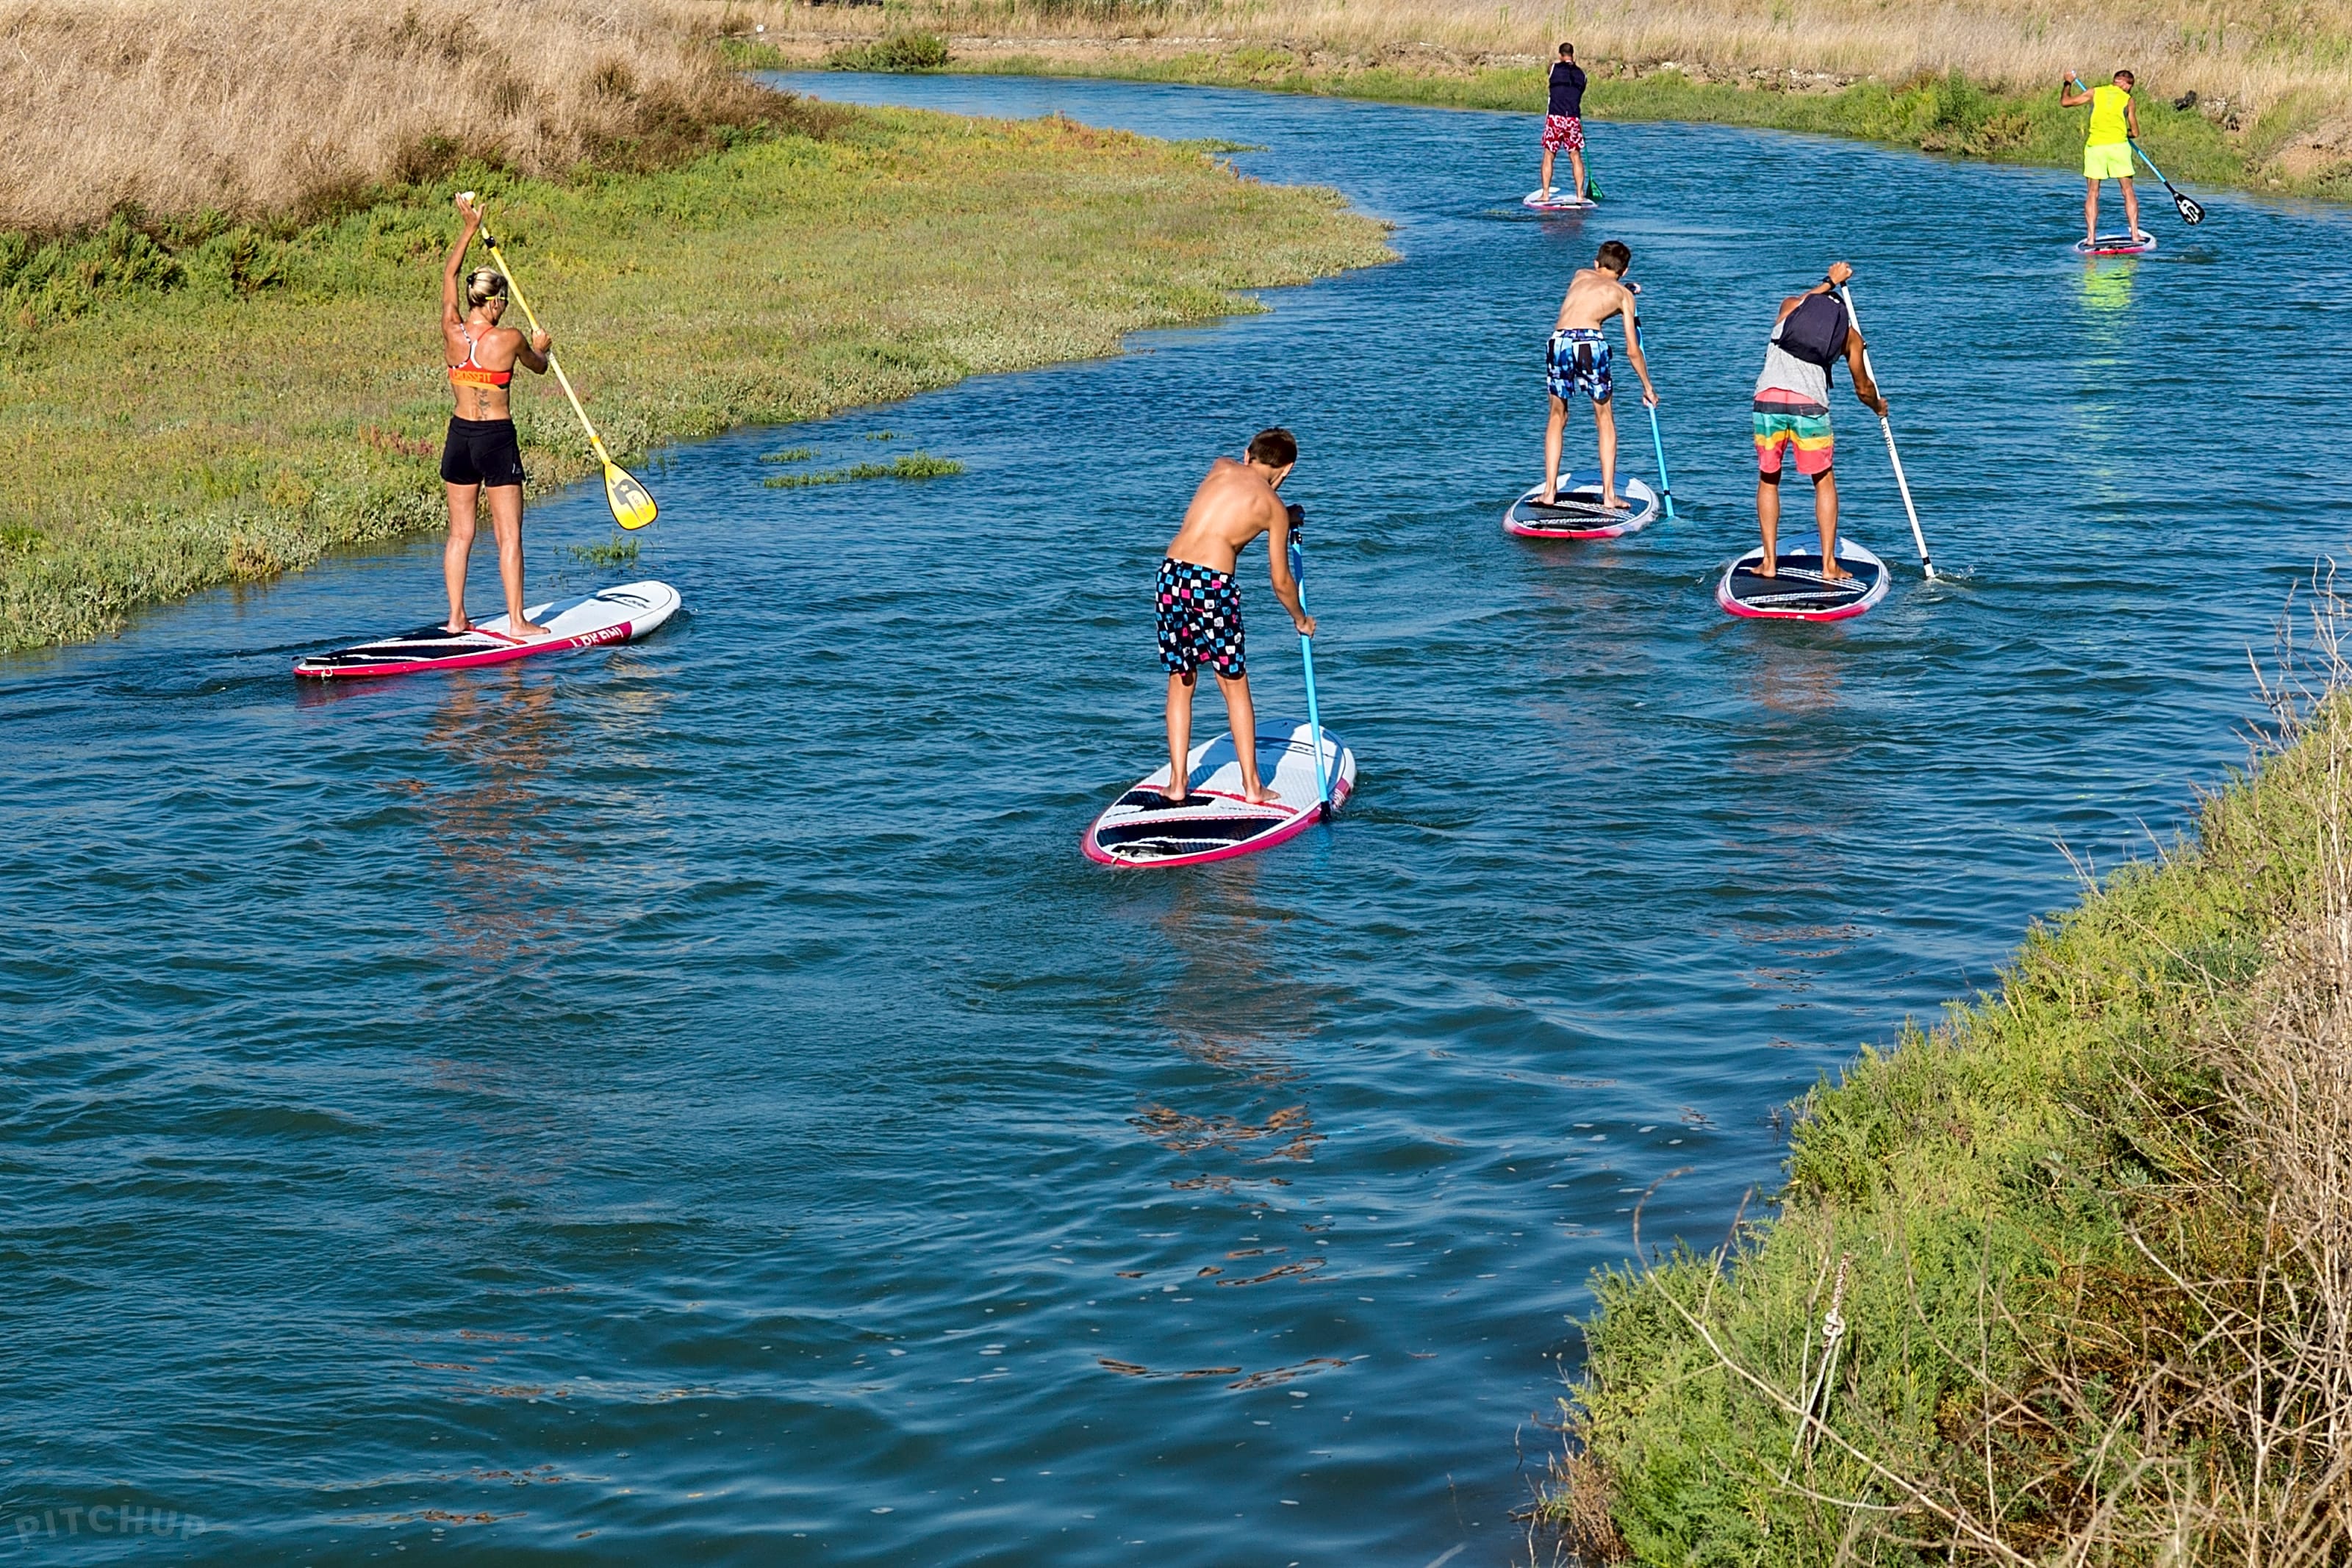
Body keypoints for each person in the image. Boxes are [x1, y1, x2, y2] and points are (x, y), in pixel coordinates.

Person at [1156, 428, 1316, 806]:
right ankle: (1253, 786)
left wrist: (1283, 517)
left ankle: (1177, 783)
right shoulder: (1272, 509)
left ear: (1247, 454)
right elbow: (1280, 581)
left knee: (1182, 678)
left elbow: (1232, 511)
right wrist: (1301, 618)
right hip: (1211, 584)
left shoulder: (1220, 467)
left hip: (1170, 575)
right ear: (1288, 470)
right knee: (1233, 682)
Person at [439, 193, 552, 636]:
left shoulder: (450, 327)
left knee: (460, 534)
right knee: (509, 536)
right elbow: (539, 368)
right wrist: (541, 348)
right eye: (501, 299)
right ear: (494, 302)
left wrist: (468, 228)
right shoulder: (509, 338)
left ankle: (455, 619)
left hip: (459, 438)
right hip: (496, 440)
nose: (504, 304)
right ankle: (518, 623)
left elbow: (448, 273)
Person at [1751, 260, 1886, 580]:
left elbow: (1808, 298)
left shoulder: (1791, 306)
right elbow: (1863, 389)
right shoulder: (1850, 335)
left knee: (1769, 478)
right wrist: (1879, 407)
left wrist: (1830, 280)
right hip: (1809, 403)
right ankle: (1829, 566)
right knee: (1823, 480)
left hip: (1767, 399)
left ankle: (1769, 563)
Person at [1542, 240, 1656, 508]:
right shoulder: (1623, 296)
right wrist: (1647, 387)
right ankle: (1609, 495)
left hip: (1559, 340)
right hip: (1590, 342)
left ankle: (1549, 492)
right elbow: (1632, 350)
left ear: (1596, 263)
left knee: (1557, 415)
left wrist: (1624, 290)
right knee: (1604, 418)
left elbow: (1594, 291)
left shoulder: (1580, 275)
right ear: (1625, 271)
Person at [2059, 68, 2141, 247]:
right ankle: (2135, 234)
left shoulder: (2094, 92)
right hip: (2119, 148)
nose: (2129, 90)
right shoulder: (2128, 100)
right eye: (2130, 86)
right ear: (2126, 84)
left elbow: (2065, 102)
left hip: (2095, 148)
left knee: (2092, 193)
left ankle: (2091, 238)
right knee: (2128, 191)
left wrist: (2068, 83)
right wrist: (2123, 132)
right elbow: (2135, 132)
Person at [1539, 42, 1589, 202]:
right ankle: (1580, 195)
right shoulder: (1582, 75)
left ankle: (1546, 194)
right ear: (1573, 54)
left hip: (1556, 117)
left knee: (1549, 155)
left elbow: (1549, 70)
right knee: (1575, 156)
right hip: (1573, 119)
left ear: (1560, 55)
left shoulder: (1553, 68)